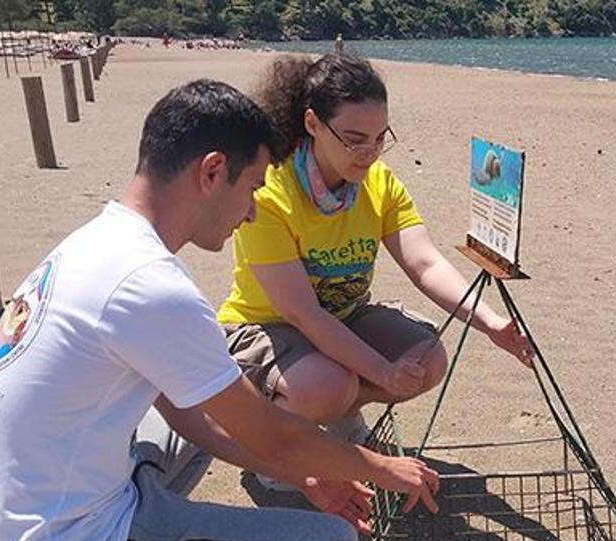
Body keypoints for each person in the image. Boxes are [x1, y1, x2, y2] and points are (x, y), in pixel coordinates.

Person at [0, 79, 440, 541]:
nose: (254, 210)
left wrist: (305, 475)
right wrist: (382, 468)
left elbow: (191, 414)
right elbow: (274, 435)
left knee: (200, 407)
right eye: (252, 188)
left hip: (10, 532)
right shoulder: (149, 285)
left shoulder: (97, 244)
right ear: (213, 172)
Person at [216, 53, 533, 485]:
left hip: (344, 315)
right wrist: (381, 372)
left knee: (425, 359)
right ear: (312, 123)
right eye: (354, 139)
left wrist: (491, 323)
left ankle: (342, 421)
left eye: (379, 138)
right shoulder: (271, 191)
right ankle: (275, 445)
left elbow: (424, 263)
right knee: (328, 386)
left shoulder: (379, 184)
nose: (368, 153)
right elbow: (301, 312)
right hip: (267, 325)